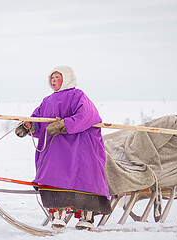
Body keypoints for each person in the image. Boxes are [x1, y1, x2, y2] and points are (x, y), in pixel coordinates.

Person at [15, 66, 111, 231]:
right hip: (56, 149)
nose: (53, 81)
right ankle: (57, 215)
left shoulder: (78, 95)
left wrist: (63, 125)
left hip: (82, 146)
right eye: (51, 78)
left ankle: (86, 216)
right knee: (53, 175)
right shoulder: (47, 101)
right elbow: (38, 119)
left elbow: (87, 115)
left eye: (57, 77)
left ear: (67, 78)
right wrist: (29, 126)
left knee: (86, 176)